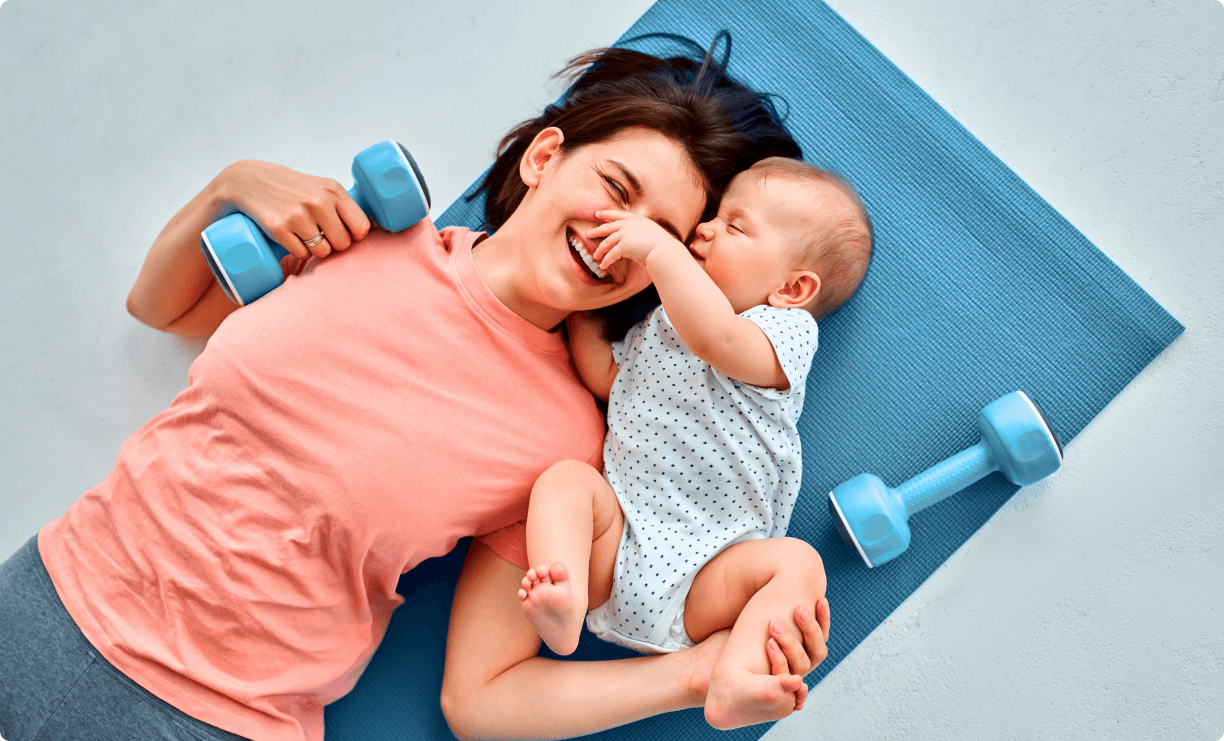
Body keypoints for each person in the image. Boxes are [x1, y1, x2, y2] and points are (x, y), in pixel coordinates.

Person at [0, 40, 830, 741]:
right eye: (617, 190)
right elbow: (162, 307)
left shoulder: (571, 442)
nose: (623, 239)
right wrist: (233, 184)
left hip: (219, 714)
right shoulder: (361, 238)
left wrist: (692, 676)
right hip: (44, 597)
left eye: (667, 236)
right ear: (545, 158)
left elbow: (481, 699)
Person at [516, 157, 872, 730]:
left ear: (791, 288)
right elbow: (612, 382)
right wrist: (578, 310)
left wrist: (660, 253)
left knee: (798, 562)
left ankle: (735, 679)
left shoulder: (781, 334)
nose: (703, 230)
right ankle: (564, 599)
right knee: (566, 482)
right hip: (620, 547)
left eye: (734, 226)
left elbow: (717, 337)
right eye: (713, 217)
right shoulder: (660, 326)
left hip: (710, 575)